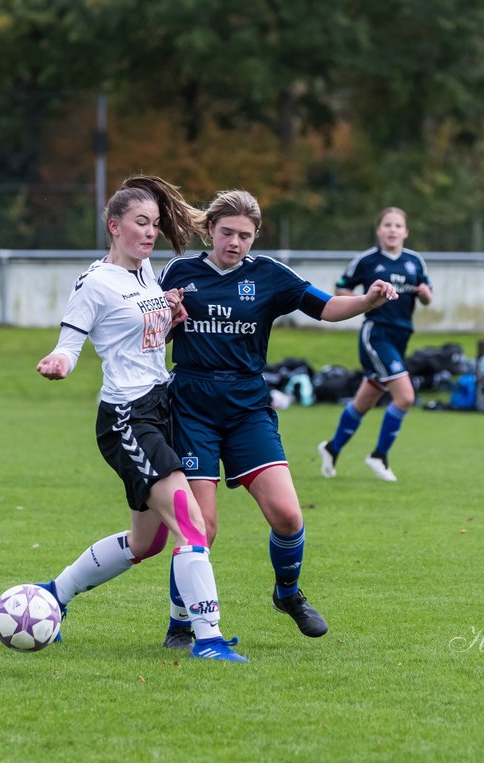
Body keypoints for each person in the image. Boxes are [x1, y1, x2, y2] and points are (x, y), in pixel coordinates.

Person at [159, 189, 397, 648]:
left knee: (288, 516)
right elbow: (152, 328)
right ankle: (181, 622)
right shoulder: (179, 272)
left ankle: (287, 592)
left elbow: (326, 307)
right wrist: (167, 317)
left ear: (255, 237)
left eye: (244, 236)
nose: (235, 243)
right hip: (192, 407)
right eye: (227, 232)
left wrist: (367, 301)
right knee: (199, 528)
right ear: (210, 229)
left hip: (248, 407)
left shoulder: (268, 275)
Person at [33, 176, 247, 662]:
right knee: (192, 526)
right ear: (114, 226)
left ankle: (53, 595)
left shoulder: (147, 271)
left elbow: (142, 337)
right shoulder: (95, 282)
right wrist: (59, 363)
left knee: (145, 542)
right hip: (128, 419)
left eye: (154, 224)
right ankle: (209, 640)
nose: (150, 233)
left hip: (161, 406)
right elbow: (70, 343)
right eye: (140, 223)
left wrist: (169, 318)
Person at [317, 207, 433, 483]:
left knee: (365, 400)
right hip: (376, 334)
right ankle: (379, 455)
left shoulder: (415, 262)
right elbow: (340, 289)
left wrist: (426, 295)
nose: (392, 230)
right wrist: (364, 300)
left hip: (401, 335)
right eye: (387, 225)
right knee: (405, 396)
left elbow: (427, 297)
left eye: (398, 226)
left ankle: (332, 448)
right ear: (379, 230)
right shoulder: (366, 261)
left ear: (406, 231)